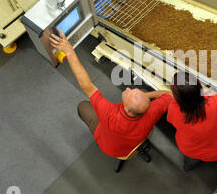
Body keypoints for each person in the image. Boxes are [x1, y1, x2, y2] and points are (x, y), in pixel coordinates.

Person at [49, 30, 172, 159]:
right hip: (139, 138)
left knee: (83, 106)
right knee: (145, 92)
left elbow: (86, 85)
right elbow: (168, 95)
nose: (128, 89)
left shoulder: (109, 114)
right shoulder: (152, 110)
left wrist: (69, 52)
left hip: (113, 150)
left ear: (128, 110)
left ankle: (97, 133)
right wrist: (146, 97)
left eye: (129, 94)